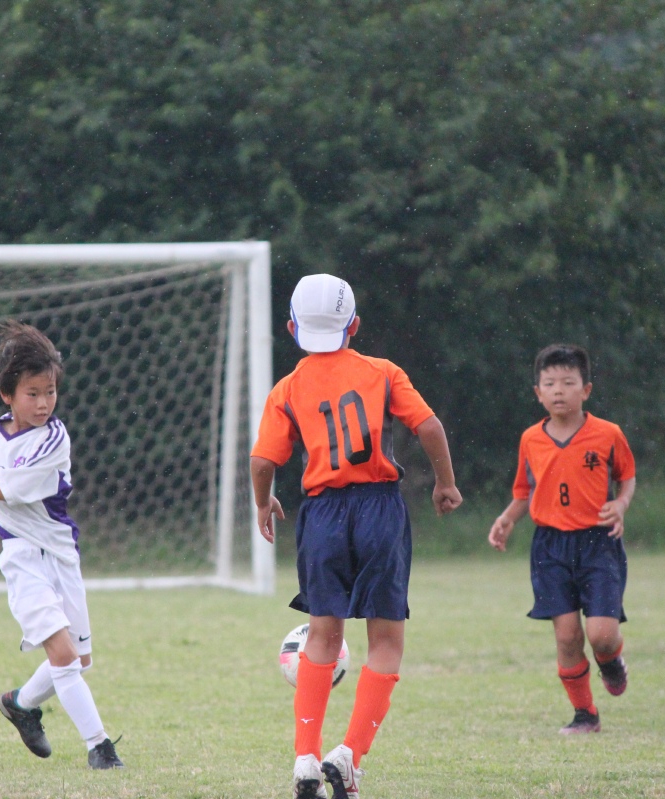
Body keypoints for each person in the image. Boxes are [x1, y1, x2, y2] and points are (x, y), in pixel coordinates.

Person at [250, 274, 463, 799]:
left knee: (323, 635)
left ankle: (305, 758)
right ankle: (348, 755)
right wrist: (445, 483)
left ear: (292, 329)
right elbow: (429, 427)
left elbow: (262, 460)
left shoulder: (287, 388)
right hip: (379, 509)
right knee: (385, 640)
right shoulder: (383, 372)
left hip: (322, 514)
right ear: (355, 325)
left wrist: (263, 501)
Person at [0, 321, 124, 770]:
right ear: (8, 395)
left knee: (79, 660)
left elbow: (11, 488)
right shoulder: (0, 428)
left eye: (50, 392)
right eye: (33, 393)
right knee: (64, 657)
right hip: (22, 557)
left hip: (60, 555)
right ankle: (100, 748)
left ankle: (19, 704)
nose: (43, 403)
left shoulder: (55, 438)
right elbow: (8, 459)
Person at [487, 343, 636, 734]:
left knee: (602, 635)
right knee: (567, 636)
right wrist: (507, 519)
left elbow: (627, 477)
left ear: (585, 389)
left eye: (568, 382)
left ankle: (611, 661)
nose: (559, 390)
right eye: (550, 383)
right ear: (538, 392)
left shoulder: (608, 434)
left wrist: (621, 503)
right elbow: (524, 491)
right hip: (550, 547)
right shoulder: (530, 439)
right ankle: (585, 714)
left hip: (598, 543)